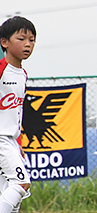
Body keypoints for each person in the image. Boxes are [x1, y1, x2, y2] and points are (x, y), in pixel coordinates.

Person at [0, 16, 36, 212]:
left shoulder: (22, 74)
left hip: (11, 141)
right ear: (4, 42)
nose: (28, 44)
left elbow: (16, 114)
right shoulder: (1, 70)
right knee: (21, 184)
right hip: (1, 139)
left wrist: (19, 143)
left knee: (11, 196)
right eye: (21, 39)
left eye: (31, 40)